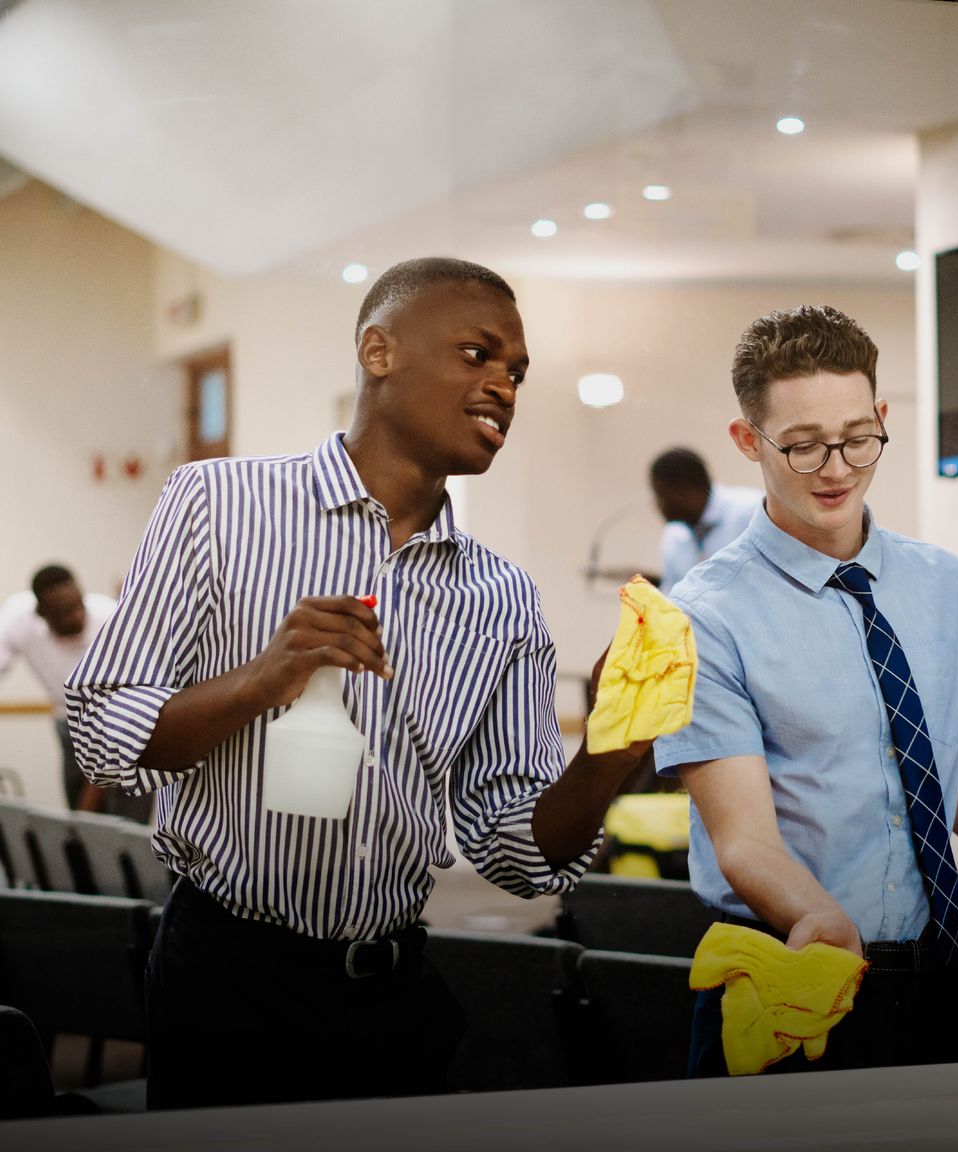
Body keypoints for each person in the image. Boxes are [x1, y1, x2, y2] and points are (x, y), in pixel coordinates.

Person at [66, 257, 652, 1110]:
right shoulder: (216, 505)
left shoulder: (502, 599)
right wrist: (263, 679)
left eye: (516, 373)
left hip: (392, 996)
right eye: (477, 354)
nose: (504, 387)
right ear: (379, 351)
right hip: (224, 983)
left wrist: (610, 750)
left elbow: (519, 855)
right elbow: (102, 733)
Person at [652, 304, 958, 1074]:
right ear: (748, 440)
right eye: (802, 446)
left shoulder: (950, 588)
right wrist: (817, 918)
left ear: (880, 416)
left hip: (938, 980)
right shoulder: (703, 617)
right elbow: (743, 839)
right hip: (793, 976)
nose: (836, 468)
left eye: (858, 438)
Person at [0, 565, 149, 820]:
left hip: (123, 728)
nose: (75, 617)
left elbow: (118, 726)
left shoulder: (109, 618)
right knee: (82, 827)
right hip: (69, 724)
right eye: (63, 614)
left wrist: (85, 811)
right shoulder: (19, 617)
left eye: (78, 607)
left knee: (124, 822)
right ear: (41, 614)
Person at [649, 448, 761, 595]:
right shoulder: (674, 537)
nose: (657, 504)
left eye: (660, 494)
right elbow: (674, 599)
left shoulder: (751, 511)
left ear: (686, 489)